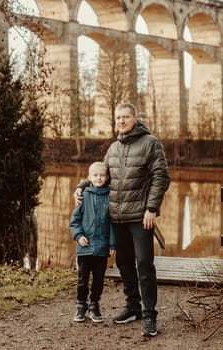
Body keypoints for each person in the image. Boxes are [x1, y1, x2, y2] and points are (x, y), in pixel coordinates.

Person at [75, 103, 170, 336]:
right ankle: (133, 307)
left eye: (125, 117)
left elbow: (161, 177)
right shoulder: (113, 148)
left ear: (135, 118)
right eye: (118, 117)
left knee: (145, 265)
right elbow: (100, 175)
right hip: (116, 218)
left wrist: (152, 208)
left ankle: (150, 316)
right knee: (124, 263)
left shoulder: (150, 143)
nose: (121, 121)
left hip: (140, 217)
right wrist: (80, 187)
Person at [69, 161, 116, 323]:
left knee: (98, 279)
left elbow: (112, 224)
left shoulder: (110, 197)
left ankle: (94, 305)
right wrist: (78, 235)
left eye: (102, 175)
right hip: (85, 248)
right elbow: (74, 221)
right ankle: (81, 306)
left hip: (102, 248)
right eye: (95, 175)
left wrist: (112, 244)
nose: (98, 178)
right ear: (89, 177)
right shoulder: (84, 196)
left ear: (107, 177)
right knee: (82, 279)